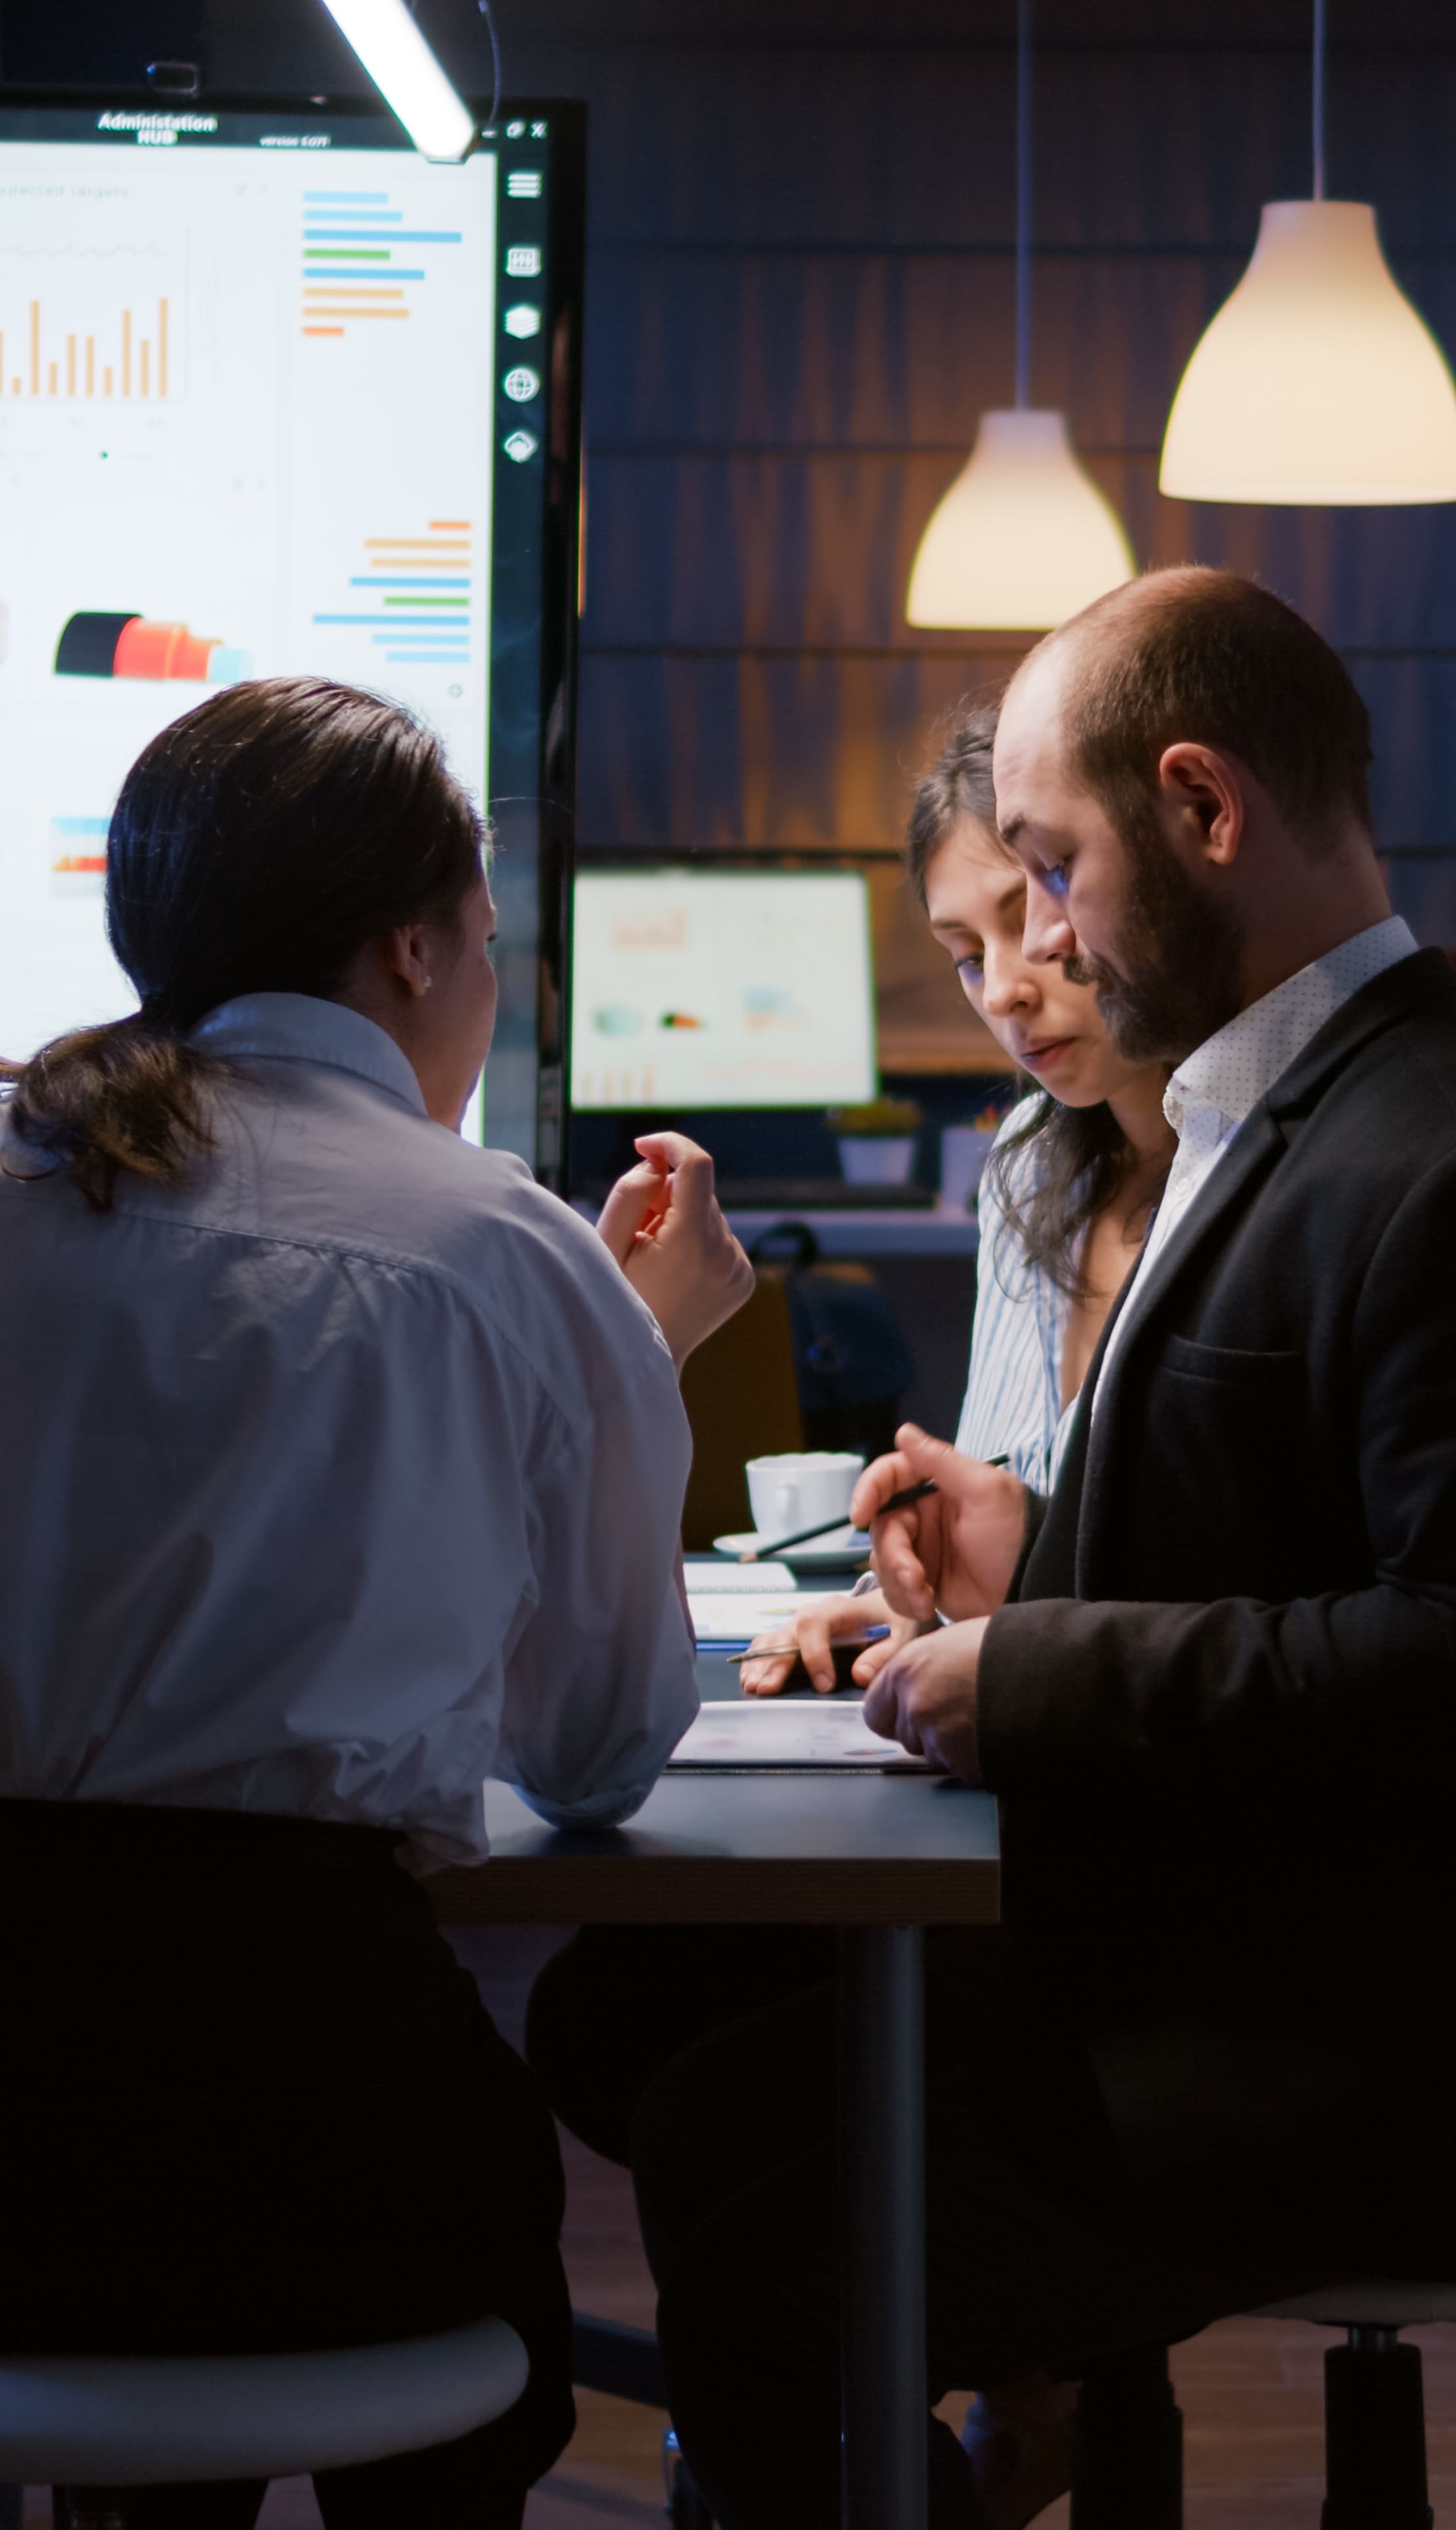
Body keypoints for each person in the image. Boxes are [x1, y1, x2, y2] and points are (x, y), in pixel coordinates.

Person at [619, 568, 1456, 2530]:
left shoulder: (1413, 1142)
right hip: (1207, 1970)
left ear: (1203, 807)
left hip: (1326, 2051)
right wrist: (1046, 1552)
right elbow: (1290, 1528)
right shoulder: (1269, 1105)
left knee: (757, 2281)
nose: (1044, 937)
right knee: (694, 2109)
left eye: (1057, 864)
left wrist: (1044, 1662)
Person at [0, 676, 752, 2529]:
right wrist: (632, 1359)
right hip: (322, 2135)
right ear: (413, 947)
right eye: (487, 941)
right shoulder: (503, 1247)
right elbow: (594, 1753)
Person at [741, 695, 1173, 1696]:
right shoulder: (1026, 1158)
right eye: (967, 956)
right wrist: (903, 1596)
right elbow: (1003, 1499)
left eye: (1028, 920)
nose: (1004, 991)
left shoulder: (1256, 1164)